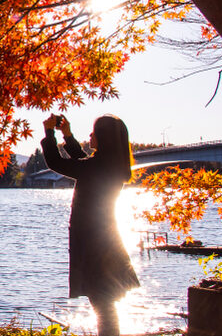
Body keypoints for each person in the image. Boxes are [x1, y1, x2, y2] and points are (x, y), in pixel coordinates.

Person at [41, 113, 140, 336]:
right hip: (107, 242)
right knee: (106, 303)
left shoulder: (96, 168)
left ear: (103, 138)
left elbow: (57, 162)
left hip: (94, 246)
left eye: (94, 132)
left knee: (103, 305)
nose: (90, 135)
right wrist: (67, 135)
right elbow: (81, 161)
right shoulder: (110, 166)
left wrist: (49, 133)